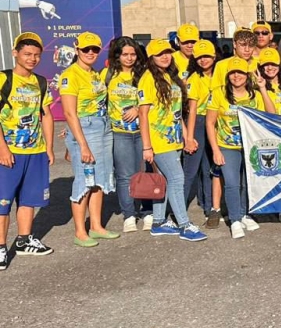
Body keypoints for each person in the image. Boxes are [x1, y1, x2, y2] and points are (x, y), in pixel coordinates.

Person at [137, 39, 208, 242]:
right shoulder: (148, 79)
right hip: (158, 140)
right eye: (160, 54)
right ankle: (184, 224)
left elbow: (175, 112)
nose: (166, 56)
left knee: (167, 181)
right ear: (151, 58)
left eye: (167, 52)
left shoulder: (171, 77)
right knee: (177, 179)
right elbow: (143, 115)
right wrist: (147, 146)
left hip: (174, 138)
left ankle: (158, 221)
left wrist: (187, 136)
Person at [0, 32, 55, 270]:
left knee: (29, 199)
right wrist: (2, 148)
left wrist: (49, 147)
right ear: (15, 53)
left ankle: (24, 240)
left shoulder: (40, 82)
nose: (32, 59)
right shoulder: (4, 79)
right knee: (3, 201)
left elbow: (47, 115)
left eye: (36, 55)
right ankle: (1, 247)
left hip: (35, 151)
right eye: (27, 54)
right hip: (9, 151)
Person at [207, 58, 276, 239]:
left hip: (250, 146)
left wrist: (262, 88)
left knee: (247, 183)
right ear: (228, 75)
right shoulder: (219, 93)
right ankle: (235, 219)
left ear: (247, 76)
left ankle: (245, 214)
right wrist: (215, 150)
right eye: (233, 73)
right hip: (227, 146)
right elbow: (210, 122)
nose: (236, 76)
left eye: (241, 73)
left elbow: (272, 114)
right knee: (231, 182)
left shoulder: (254, 95)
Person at [61, 31, 118, 248]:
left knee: (100, 179)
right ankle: (80, 231)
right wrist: (80, 144)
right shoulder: (70, 75)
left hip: (103, 126)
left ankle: (96, 225)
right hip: (85, 128)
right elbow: (69, 113)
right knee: (85, 180)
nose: (90, 52)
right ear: (77, 50)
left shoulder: (95, 74)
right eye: (86, 49)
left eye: (95, 49)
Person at [106, 37, 147, 233]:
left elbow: (154, 99)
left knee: (145, 172)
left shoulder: (144, 75)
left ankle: (147, 211)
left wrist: (138, 109)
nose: (129, 58)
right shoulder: (108, 76)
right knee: (124, 176)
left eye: (133, 54)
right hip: (119, 133)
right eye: (125, 54)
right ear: (117, 56)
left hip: (143, 132)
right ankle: (129, 214)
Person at [183, 40, 221, 229]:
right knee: (190, 169)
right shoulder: (194, 79)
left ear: (214, 56)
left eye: (207, 56)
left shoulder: (219, 74)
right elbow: (192, 110)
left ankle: (209, 208)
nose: (203, 60)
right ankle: (178, 210)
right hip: (198, 122)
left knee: (210, 168)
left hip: (215, 122)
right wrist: (189, 137)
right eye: (199, 57)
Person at [257, 47, 281, 226]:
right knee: (278, 173)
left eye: (273, 64)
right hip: (271, 134)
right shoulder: (258, 88)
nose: (270, 68)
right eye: (266, 65)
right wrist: (263, 89)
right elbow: (270, 113)